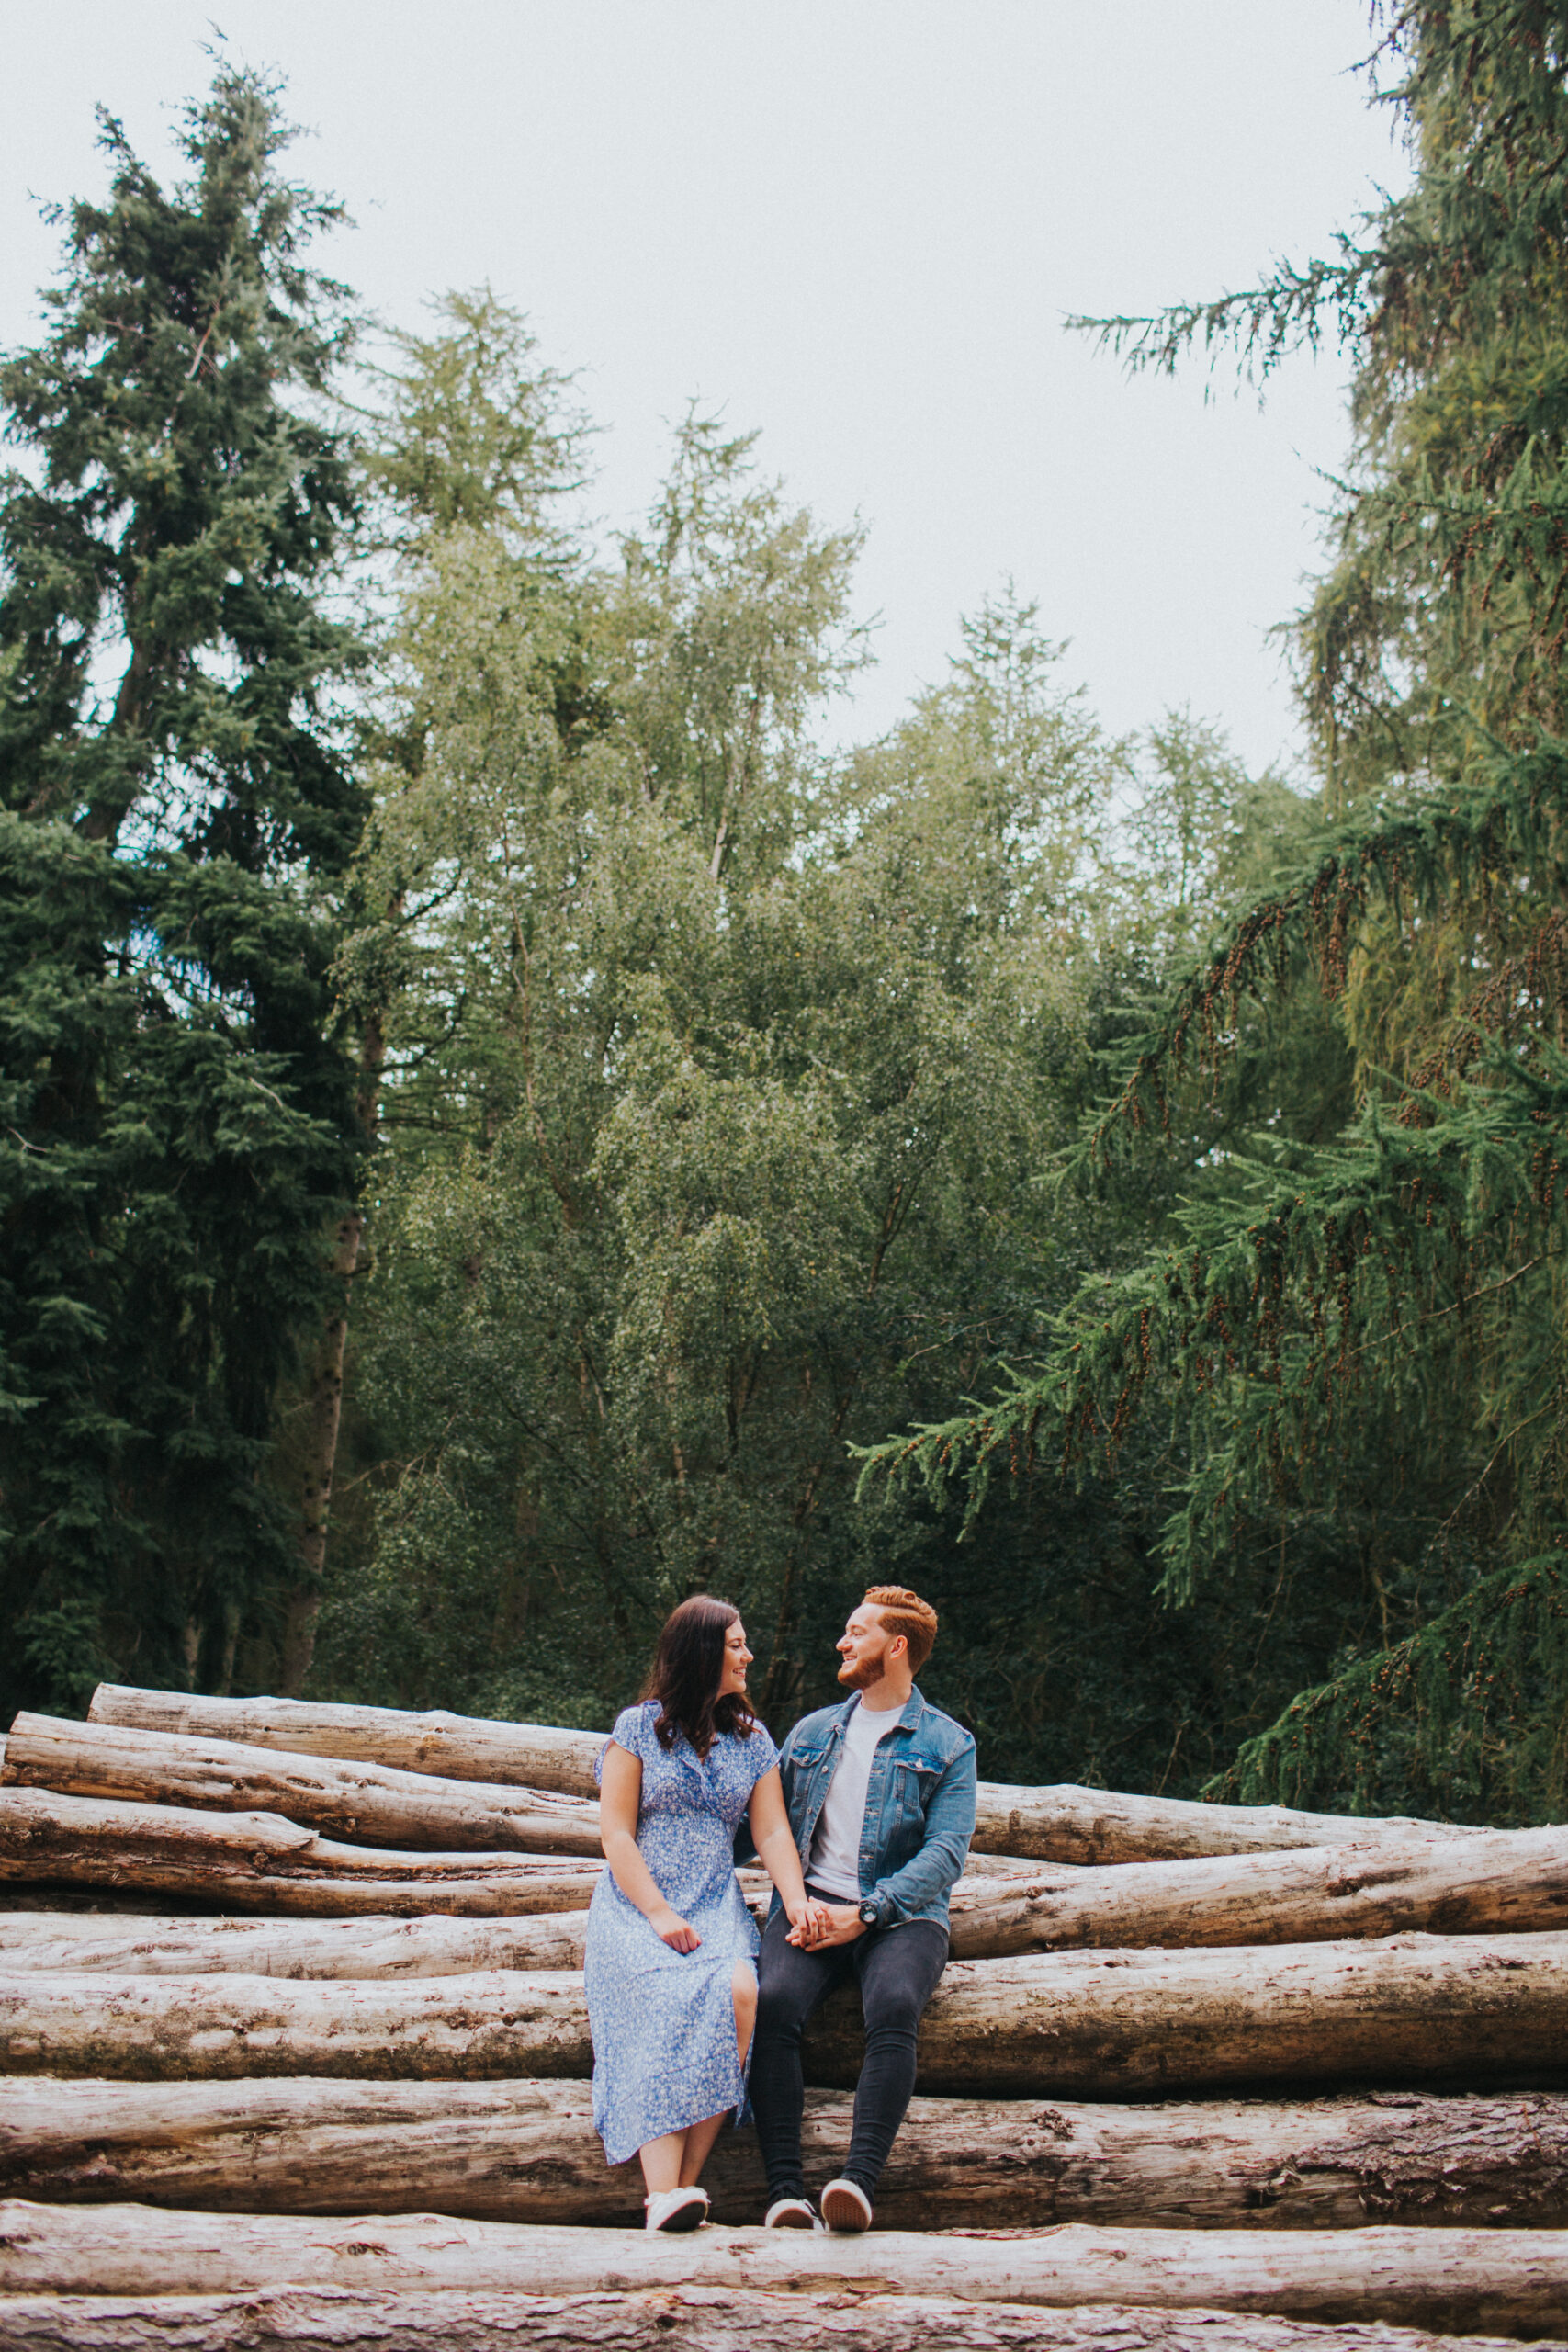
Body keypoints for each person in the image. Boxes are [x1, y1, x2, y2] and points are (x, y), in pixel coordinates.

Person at [585, 1594, 830, 2232]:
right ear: (701, 1651)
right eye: (736, 1645)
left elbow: (773, 1833)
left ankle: (680, 2191)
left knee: (740, 1991)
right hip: (637, 1904)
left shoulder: (751, 1741)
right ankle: (661, 2192)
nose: (748, 1655)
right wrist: (658, 1912)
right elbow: (615, 1834)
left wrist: (798, 1901)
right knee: (667, 2002)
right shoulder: (636, 1728)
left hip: (714, 1901)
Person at [748, 1584, 976, 2234]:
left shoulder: (948, 1743)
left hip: (903, 1918)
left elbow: (945, 1854)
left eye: (856, 1632)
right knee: (775, 2005)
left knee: (896, 2005)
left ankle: (855, 2181)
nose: (842, 1644)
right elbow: (768, 1830)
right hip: (810, 1907)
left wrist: (870, 1913)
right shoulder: (810, 1732)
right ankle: (784, 2191)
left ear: (895, 1646)